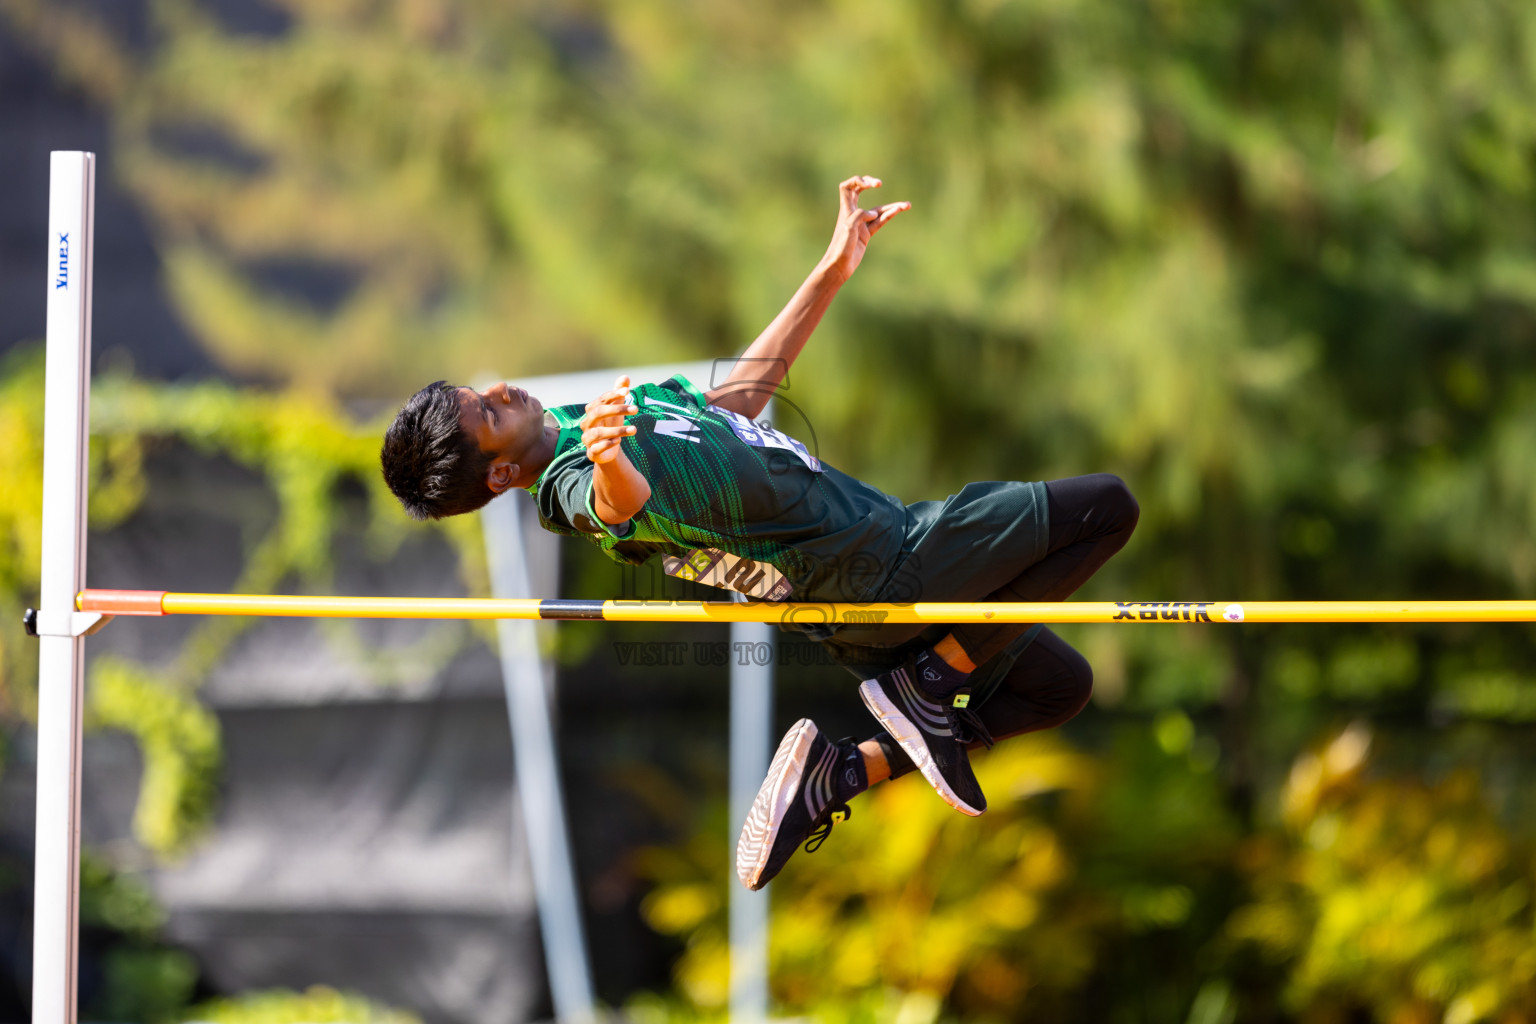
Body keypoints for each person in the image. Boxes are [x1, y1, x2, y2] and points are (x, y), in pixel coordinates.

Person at [380, 176, 1138, 890]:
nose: (501, 393)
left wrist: (831, 273)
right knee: (1106, 507)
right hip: (883, 568)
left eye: (479, 394)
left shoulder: (593, 421)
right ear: (500, 475)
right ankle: (930, 683)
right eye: (490, 414)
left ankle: (844, 771)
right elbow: (619, 507)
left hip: (864, 599)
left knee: (1056, 688)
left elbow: (737, 399)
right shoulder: (568, 483)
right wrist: (609, 460)